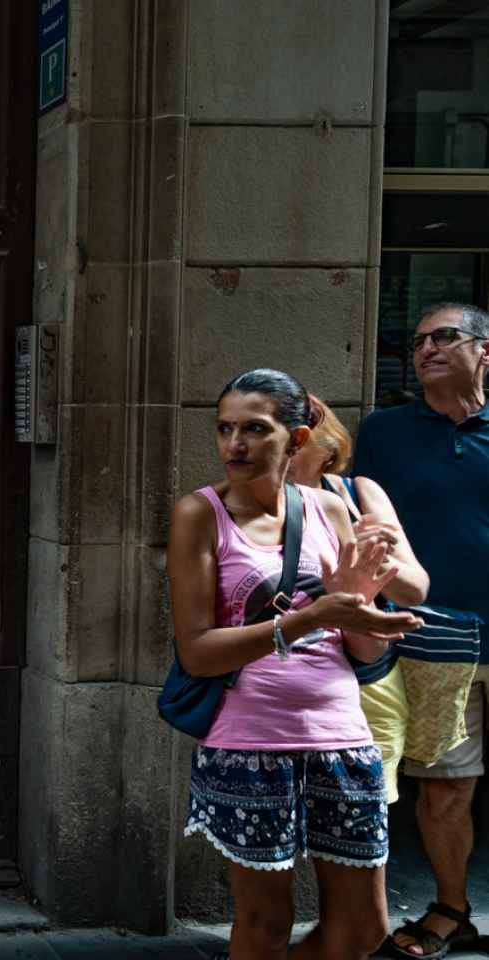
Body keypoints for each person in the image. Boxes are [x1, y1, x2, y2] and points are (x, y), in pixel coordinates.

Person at [169, 368, 425, 960]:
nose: (235, 444)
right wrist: (310, 618)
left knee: (364, 927)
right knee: (264, 925)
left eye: (255, 429)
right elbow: (198, 652)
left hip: (341, 736)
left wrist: (366, 616)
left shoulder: (331, 511)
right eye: (225, 429)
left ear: (298, 439)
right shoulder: (200, 514)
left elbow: (362, 651)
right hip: (250, 742)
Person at [354, 302, 489, 958]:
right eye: (418, 342)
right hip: (436, 643)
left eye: (445, 337)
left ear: (483, 351)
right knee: (445, 789)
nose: (427, 349)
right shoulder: (383, 433)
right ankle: (452, 910)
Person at [288, 394, 429, 805]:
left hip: (368, 681)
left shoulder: (357, 493)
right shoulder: (254, 504)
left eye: (297, 442)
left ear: (327, 448)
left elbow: (415, 590)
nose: (283, 452)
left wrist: (373, 554)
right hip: (290, 682)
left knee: (364, 814)